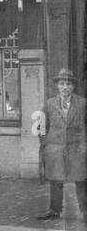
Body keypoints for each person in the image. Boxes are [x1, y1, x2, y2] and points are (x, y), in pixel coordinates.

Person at [37, 68, 87, 222]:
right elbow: (42, 126)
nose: (65, 87)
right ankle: (54, 211)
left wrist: (84, 146)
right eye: (62, 84)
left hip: (77, 147)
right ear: (57, 86)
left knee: (81, 179)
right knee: (56, 180)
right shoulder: (49, 104)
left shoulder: (83, 103)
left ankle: (85, 212)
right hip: (55, 148)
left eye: (68, 84)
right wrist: (46, 144)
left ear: (73, 86)